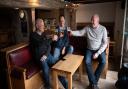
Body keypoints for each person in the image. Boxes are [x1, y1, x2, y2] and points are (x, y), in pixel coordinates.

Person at [70, 14, 108, 89]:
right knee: (87, 62)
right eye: (91, 20)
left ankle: (93, 83)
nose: (92, 22)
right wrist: (72, 32)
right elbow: (80, 32)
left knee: (103, 61)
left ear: (98, 21)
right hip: (89, 49)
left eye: (93, 20)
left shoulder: (103, 29)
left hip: (99, 49)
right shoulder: (88, 27)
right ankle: (94, 84)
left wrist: (98, 53)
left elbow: (105, 43)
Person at [29, 18, 68, 89]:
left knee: (57, 67)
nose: (43, 26)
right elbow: (39, 44)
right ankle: (48, 87)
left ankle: (67, 86)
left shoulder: (44, 34)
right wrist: (51, 39)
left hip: (47, 55)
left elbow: (49, 46)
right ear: (37, 26)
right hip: (39, 57)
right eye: (41, 25)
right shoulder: (33, 35)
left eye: (43, 25)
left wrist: (46, 55)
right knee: (46, 68)